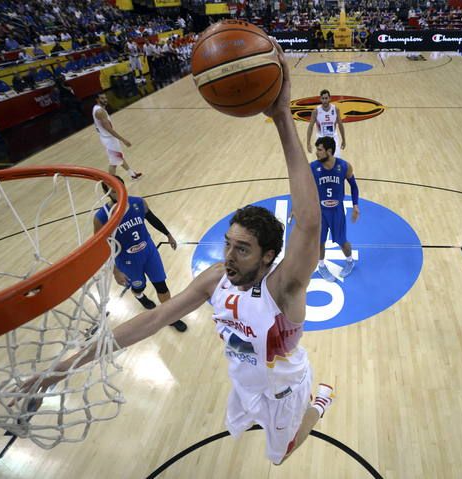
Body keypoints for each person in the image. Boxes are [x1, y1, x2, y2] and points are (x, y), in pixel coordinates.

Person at [17, 40, 335, 465]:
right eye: (228, 243)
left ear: (267, 257)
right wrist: (63, 366)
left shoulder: (284, 288)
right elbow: (152, 319)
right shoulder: (215, 280)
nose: (229, 256)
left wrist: (281, 118)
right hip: (245, 382)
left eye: (242, 249)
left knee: (283, 454)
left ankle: (320, 403)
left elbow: (309, 225)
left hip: (284, 388)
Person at [94, 177, 187, 332]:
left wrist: (168, 234)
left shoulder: (138, 202)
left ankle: (171, 317)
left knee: (161, 285)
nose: (118, 192)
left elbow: (152, 219)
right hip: (126, 259)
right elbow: (100, 245)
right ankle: (140, 296)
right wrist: (115, 271)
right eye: (113, 191)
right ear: (107, 193)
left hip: (149, 251)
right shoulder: (102, 217)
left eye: (120, 188)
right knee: (139, 287)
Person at [310, 136, 360, 281]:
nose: (316, 153)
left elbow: (354, 186)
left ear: (329, 151)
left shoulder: (344, 166)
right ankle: (321, 265)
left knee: (342, 241)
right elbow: (303, 187)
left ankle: (350, 261)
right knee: (320, 241)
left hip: (337, 211)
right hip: (320, 211)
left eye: (319, 150)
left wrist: (355, 204)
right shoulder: (312, 167)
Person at [92, 93, 142, 179]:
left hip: (106, 137)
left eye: (105, 98)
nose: (105, 100)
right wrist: (123, 140)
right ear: (97, 99)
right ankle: (109, 183)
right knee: (114, 163)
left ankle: (132, 174)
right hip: (109, 139)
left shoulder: (96, 108)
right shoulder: (100, 111)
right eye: (102, 98)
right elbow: (109, 129)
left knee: (119, 157)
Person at [306, 89, 346, 158]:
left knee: (336, 160)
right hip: (321, 138)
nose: (325, 100)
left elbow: (340, 125)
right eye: (323, 98)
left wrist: (343, 139)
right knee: (322, 161)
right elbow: (310, 127)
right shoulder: (316, 111)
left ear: (329, 98)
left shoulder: (335, 109)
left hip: (333, 137)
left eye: (326, 98)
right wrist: (308, 143)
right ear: (320, 99)